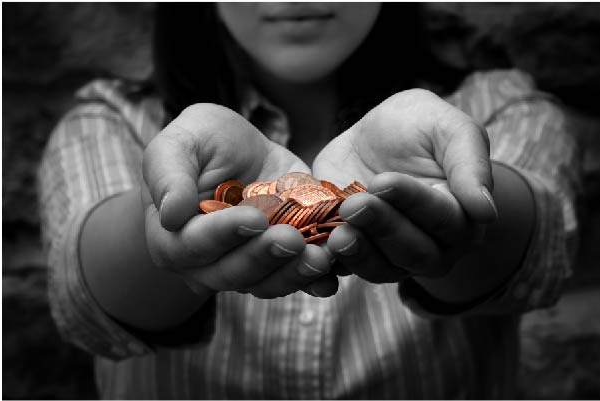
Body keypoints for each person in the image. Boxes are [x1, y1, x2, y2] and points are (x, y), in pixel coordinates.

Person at [38, 3, 581, 399]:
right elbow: (84, 300)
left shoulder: (499, 108)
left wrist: (466, 199)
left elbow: (534, 254)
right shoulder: (109, 122)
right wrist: (167, 213)